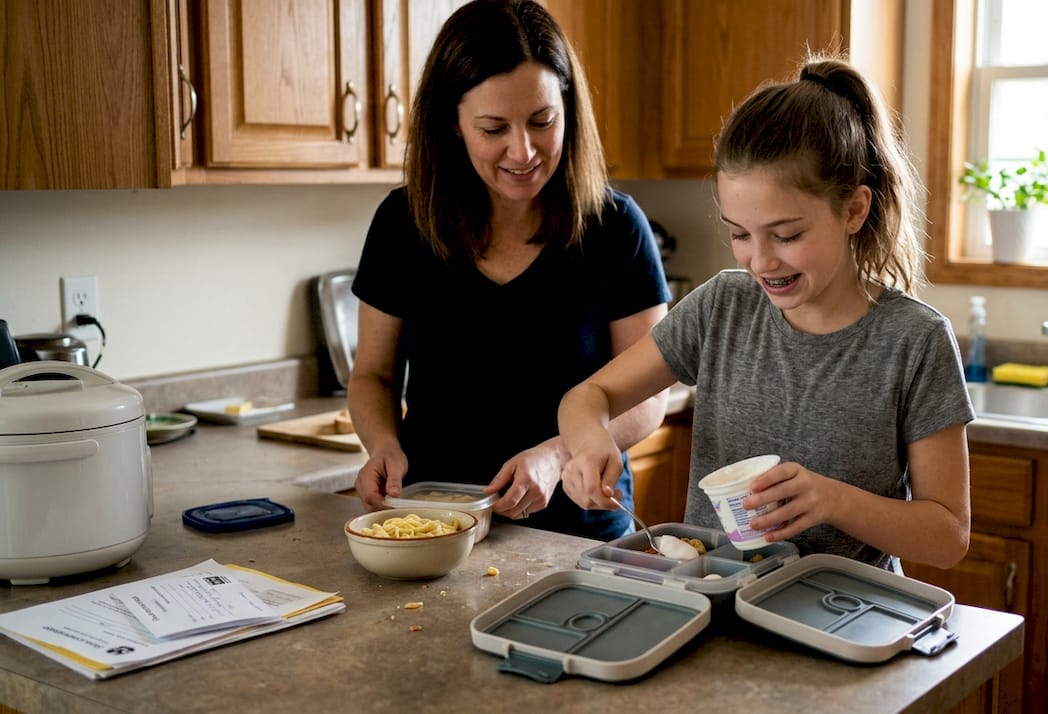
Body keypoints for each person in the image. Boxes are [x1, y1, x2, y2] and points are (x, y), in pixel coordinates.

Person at [558, 56, 974, 570]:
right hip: (716, 603)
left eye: (787, 235)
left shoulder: (915, 340)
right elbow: (587, 397)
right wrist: (589, 442)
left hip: (842, 622)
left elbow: (949, 537)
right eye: (739, 234)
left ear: (853, 210)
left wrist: (832, 499)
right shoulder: (723, 307)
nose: (760, 260)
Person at [348, 0, 670, 541]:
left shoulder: (616, 227)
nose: (523, 151)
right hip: (436, 526)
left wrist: (559, 451)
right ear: (452, 123)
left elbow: (649, 395)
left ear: (567, 109)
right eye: (493, 128)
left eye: (542, 121)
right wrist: (383, 445)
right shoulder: (403, 224)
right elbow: (373, 376)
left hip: (581, 532)